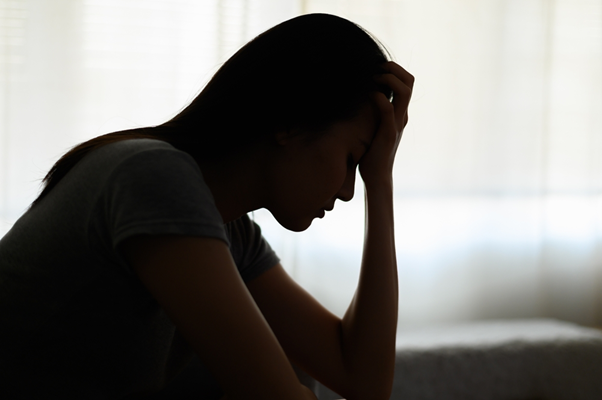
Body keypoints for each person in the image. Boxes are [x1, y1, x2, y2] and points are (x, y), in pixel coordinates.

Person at [0, 13, 413, 400]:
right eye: (351, 161)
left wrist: (380, 183)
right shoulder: (153, 177)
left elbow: (364, 382)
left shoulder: (230, 231)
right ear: (290, 121)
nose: (346, 192)